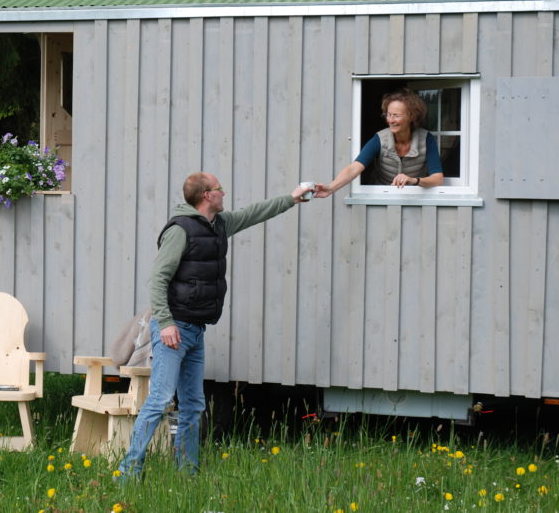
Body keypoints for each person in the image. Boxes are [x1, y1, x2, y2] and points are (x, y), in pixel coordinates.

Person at [118, 172, 316, 479]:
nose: (224, 193)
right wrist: (166, 323)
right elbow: (158, 278)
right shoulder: (180, 230)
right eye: (219, 189)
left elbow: (254, 213)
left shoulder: (218, 226)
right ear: (207, 196)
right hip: (173, 329)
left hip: (196, 329)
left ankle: (187, 474)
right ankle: (128, 473)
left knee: (194, 406)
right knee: (159, 400)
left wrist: (291, 198)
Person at [316, 88, 444, 198]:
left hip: (415, 196)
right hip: (381, 196)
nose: (391, 120)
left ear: (412, 116)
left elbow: (437, 179)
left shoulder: (426, 139)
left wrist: (414, 180)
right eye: (388, 115)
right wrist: (330, 188)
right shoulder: (380, 138)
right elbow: (354, 167)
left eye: (396, 115)